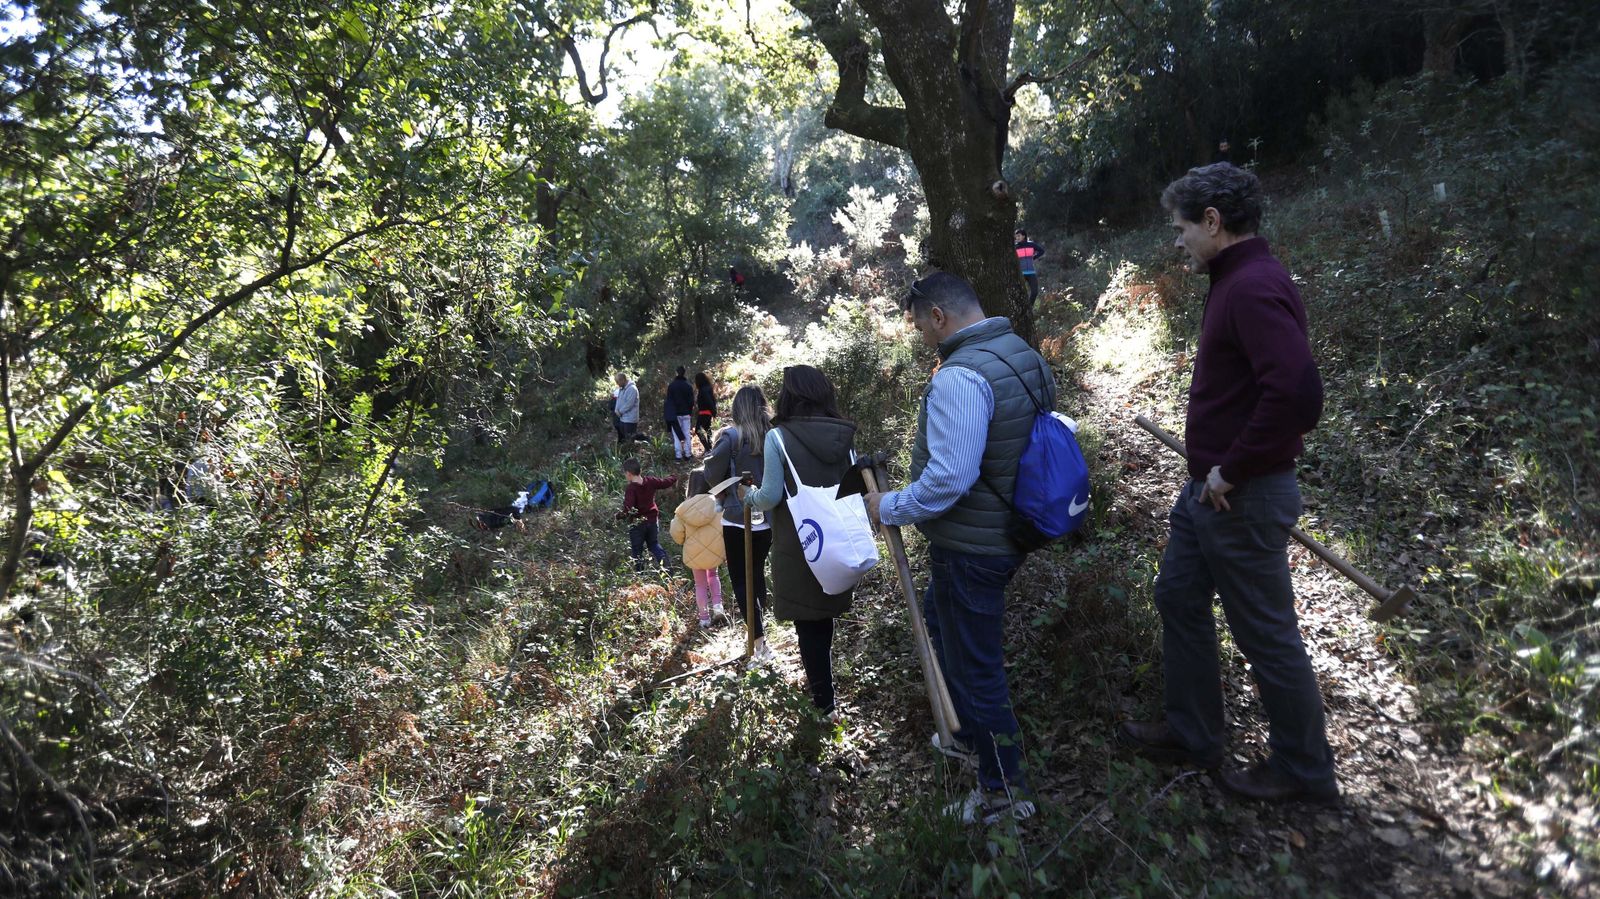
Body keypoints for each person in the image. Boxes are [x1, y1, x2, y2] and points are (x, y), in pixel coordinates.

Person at [1117, 162, 1338, 805]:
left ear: (1214, 222)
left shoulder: (1252, 286)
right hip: (1208, 494)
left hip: (1241, 494)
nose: (1177, 239)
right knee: (1179, 596)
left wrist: (1232, 468)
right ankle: (1193, 733)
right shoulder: (1233, 279)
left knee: (1266, 633)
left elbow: (1298, 394)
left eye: (1182, 227)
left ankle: (1304, 769)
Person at [863, 271, 1054, 825]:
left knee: (976, 665)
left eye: (918, 323)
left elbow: (951, 478)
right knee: (942, 622)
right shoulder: (1019, 352)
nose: (921, 335)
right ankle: (968, 733)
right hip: (1007, 531)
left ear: (938, 316)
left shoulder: (961, 376)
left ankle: (1002, 790)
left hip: (976, 546)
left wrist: (889, 506)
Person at [741, 365, 864, 718]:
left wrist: (747, 496)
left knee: (808, 624)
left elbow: (768, 497)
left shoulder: (779, 438)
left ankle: (824, 706)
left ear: (790, 395)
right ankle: (825, 694)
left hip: (801, 543)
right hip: (838, 541)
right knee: (824, 618)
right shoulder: (845, 435)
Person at [703, 385, 774, 662]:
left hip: (737, 518)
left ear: (737, 408)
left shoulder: (731, 436)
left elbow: (711, 473)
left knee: (741, 580)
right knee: (756, 574)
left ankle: (759, 643)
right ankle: (761, 633)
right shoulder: (773, 434)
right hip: (767, 519)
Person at [670, 468, 728, 628]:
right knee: (713, 576)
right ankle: (718, 607)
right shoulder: (717, 504)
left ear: (690, 486)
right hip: (715, 551)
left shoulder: (683, 509)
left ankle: (704, 619)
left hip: (694, 553)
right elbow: (725, 527)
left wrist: (684, 541)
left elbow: (676, 533)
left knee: (700, 584)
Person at [617, 459, 675, 573]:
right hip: (652, 521)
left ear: (628, 473)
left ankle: (640, 575)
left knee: (637, 550)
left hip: (637, 524)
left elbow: (629, 509)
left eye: (625, 474)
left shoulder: (631, 489)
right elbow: (664, 482)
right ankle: (668, 570)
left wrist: (619, 516)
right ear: (640, 470)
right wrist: (674, 477)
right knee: (654, 544)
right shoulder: (650, 481)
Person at [666, 366, 697, 460]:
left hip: (675, 414)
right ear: (684, 373)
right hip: (686, 413)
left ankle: (678, 456)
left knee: (676, 435)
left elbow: (669, 401)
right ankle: (688, 454)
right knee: (687, 433)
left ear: (676, 373)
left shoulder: (671, 386)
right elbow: (691, 401)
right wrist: (689, 412)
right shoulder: (688, 386)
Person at [1013, 229, 1046, 310]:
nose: (1016, 237)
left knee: (1034, 292)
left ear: (1023, 236)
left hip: (1031, 272)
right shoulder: (1015, 247)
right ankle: (1020, 309)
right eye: (1016, 236)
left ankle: (1029, 308)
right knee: (1020, 293)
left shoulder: (1031, 245)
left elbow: (1042, 251)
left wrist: (1034, 257)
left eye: (1018, 236)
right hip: (1021, 274)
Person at [613, 372, 640, 446]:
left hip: (630, 419)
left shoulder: (632, 389)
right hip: (623, 419)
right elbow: (618, 400)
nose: (617, 384)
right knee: (624, 438)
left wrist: (620, 412)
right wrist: (616, 410)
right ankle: (627, 454)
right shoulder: (622, 389)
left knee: (630, 440)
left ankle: (632, 454)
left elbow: (629, 404)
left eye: (618, 382)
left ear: (623, 380)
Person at [693, 371, 717, 453]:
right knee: (708, 429)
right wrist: (714, 412)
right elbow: (713, 400)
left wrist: (713, 411)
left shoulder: (703, 390)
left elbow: (709, 401)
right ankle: (710, 447)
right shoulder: (708, 387)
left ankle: (707, 449)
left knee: (698, 430)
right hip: (709, 412)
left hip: (704, 412)